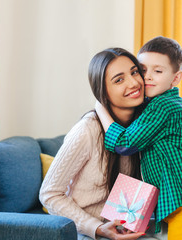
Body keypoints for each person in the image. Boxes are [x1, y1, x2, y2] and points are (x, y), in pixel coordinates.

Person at [95, 36, 182, 240]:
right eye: (142, 70)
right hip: (181, 201)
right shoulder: (154, 104)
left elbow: (125, 143)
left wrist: (100, 108)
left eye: (158, 71)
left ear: (175, 78)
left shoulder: (162, 106)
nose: (147, 77)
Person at [40, 48, 157, 240]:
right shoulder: (87, 130)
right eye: (119, 79)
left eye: (135, 72)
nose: (134, 82)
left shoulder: (144, 126)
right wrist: (97, 228)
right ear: (102, 91)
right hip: (88, 231)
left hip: (124, 229)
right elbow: (49, 194)